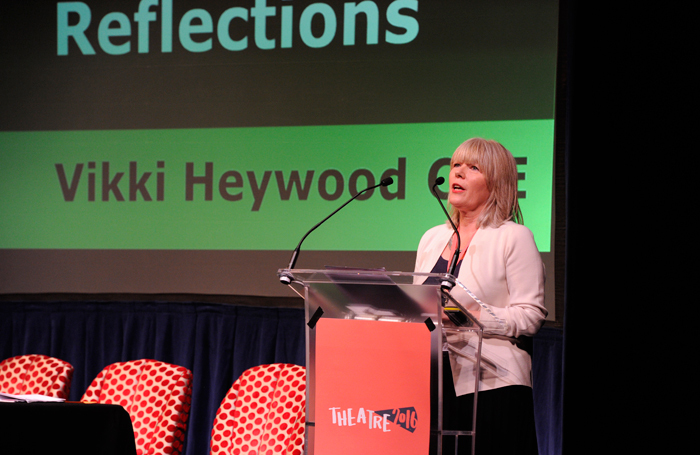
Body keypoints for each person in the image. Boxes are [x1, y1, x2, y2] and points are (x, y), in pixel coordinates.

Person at [415, 138, 547, 455]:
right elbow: (420, 306)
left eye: (472, 168)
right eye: (456, 165)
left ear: (496, 183)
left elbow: (531, 315)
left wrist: (467, 316)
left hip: (491, 385)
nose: (458, 173)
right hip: (434, 380)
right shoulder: (432, 237)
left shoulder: (513, 237)